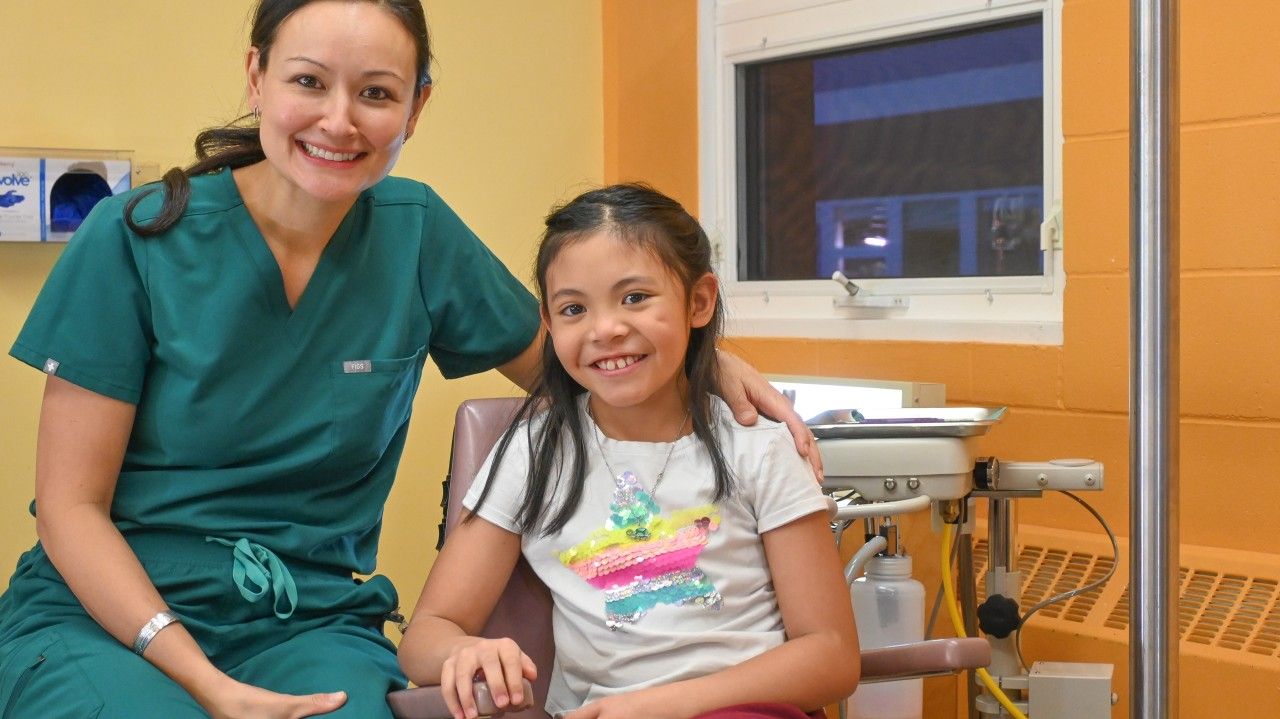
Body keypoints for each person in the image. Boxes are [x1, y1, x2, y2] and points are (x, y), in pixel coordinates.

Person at [0, 2, 818, 718]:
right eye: (309, 82)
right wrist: (201, 680)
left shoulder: (415, 233)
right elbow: (71, 509)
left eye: (378, 93)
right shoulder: (139, 235)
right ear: (257, 77)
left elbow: (588, 367)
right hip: (111, 618)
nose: (340, 121)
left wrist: (711, 366)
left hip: (306, 622)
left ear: (416, 106)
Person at [399, 184, 860, 719]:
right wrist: (464, 651)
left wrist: (664, 705)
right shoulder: (533, 454)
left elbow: (831, 656)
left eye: (635, 298)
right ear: (548, 325)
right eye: (573, 308)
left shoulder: (758, 449)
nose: (606, 329)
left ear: (699, 302)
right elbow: (426, 633)